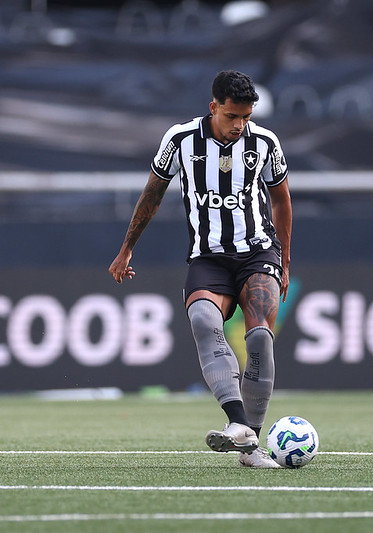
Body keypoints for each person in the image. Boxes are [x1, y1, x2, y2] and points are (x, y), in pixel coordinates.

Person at [109, 70, 292, 469]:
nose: (239, 125)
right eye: (232, 116)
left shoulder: (264, 143)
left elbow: (281, 199)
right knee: (203, 321)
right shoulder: (180, 140)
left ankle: (250, 444)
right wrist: (126, 249)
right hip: (208, 256)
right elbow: (152, 194)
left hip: (258, 252)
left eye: (246, 117)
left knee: (260, 338)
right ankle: (240, 426)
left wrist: (285, 259)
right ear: (213, 107)